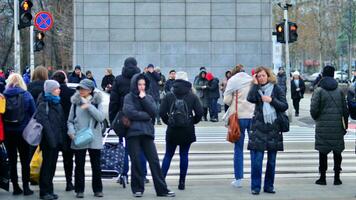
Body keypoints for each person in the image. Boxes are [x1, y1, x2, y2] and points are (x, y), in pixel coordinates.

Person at [123, 73, 175, 198]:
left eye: (143, 84)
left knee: (154, 161)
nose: (141, 87)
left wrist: (143, 99)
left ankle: (162, 189)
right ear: (135, 85)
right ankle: (138, 189)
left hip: (147, 133)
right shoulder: (128, 97)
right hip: (133, 134)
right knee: (136, 162)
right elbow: (129, 113)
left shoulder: (148, 97)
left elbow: (153, 112)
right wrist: (145, 115)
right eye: (139, 84)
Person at [247, 66, 288, 195]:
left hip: (273, 128)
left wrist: (271, 100)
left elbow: (284, 105)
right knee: (257, 161)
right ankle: (255, 187)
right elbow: (250, 98)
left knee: (271, 161)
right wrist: (254, 85)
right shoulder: (256, 90)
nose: (261, 78)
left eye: (263, 75)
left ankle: (269, 186)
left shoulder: (276, 88)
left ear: (268, 76)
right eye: (258, 76)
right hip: (259, 128)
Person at [160, 71, 203, 190]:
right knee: (184, 155)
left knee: (168, 154)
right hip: (187, 130)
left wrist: (168, 122)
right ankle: (182, 182)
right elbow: (200, 113)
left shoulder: (169, 95)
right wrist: (192, 121)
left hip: (172, 130)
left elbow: (162, 112)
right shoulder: (192, 95)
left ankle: (161, 181)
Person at [109, 57, 148, 184]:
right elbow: (148, 98)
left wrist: (112, 119)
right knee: (141, 148)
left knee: (124, 148)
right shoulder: (141, 79)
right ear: (136, 65)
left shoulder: (119, 79)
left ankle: (124, 174)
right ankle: (142, 175)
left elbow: (113, 101)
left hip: (123, 118)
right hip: (140, 118)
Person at [310, 65, 348, 186]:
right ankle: (337, 178)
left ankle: (323, 178)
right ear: (333, 74)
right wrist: (345, 125)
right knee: (337, 152)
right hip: (337, 126)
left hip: (322, 126)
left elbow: (313, 110)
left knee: (323, 152)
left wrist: (317, 119)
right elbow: (345, 110)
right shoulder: (340, 90)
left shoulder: (319, 90)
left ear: (323, 74)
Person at [67, 79, 105, 198]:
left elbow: (100, 118)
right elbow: (69, 121)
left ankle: (98, 189)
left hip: (94, 137)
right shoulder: (75, 102)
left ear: (90, 90)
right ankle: (79, 190)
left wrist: (89, 106)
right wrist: (71, 131)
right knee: (79, 165)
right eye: (80, 88)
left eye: (83, 88)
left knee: (96, 165)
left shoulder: (97, 102)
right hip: (79, 137)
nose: (81, 91)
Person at [3, 73, 36, 196]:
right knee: (25, 160)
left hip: (8, 132)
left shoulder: (3, 96)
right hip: (24, 132)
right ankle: (26, 187)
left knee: (12, 160)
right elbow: (34, 113)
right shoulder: (26, 95)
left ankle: (16, 186)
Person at [223, 70, 254, 188]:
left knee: (238, 149)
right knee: (254, 149)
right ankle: (254, 178)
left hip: (238, 118)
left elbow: (226, 100)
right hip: (252, 116)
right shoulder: (251, 80)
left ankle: (239, 179)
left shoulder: (233, 81)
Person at [36, 80, 66, 200]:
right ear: (50, 90)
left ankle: (50, 190)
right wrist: (52, 141)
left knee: (52, 167)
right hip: (48, 142)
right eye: (56, 88)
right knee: (47, 166)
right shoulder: (43, 104)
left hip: (56, 141)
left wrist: (61, 140)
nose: (59, 90)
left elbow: (61, 123)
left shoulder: (57, 103)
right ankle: (44, 192)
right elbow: (45, 124)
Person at [52, 71, 76, 191]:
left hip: (55, 130)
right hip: (68, 129)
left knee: (52, 158)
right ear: (65, 80)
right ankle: (69, 182)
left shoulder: (51, 94)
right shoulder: (72, 93)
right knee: (68, 158)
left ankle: (49, 182)